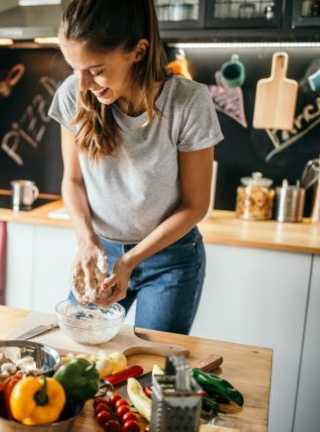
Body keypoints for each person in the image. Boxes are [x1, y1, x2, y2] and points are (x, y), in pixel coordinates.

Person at [48, 0, 223, 335]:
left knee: (153, 367)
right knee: (80, 351)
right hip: (101, 250)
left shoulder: (187, 102)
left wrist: (130, 261)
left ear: (139, 51)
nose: (82, 84)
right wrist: (86, 240)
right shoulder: (74, 94)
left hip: (170, 259)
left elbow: (196, 205)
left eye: (95, 70)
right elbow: (72, 180)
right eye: (75, 69)